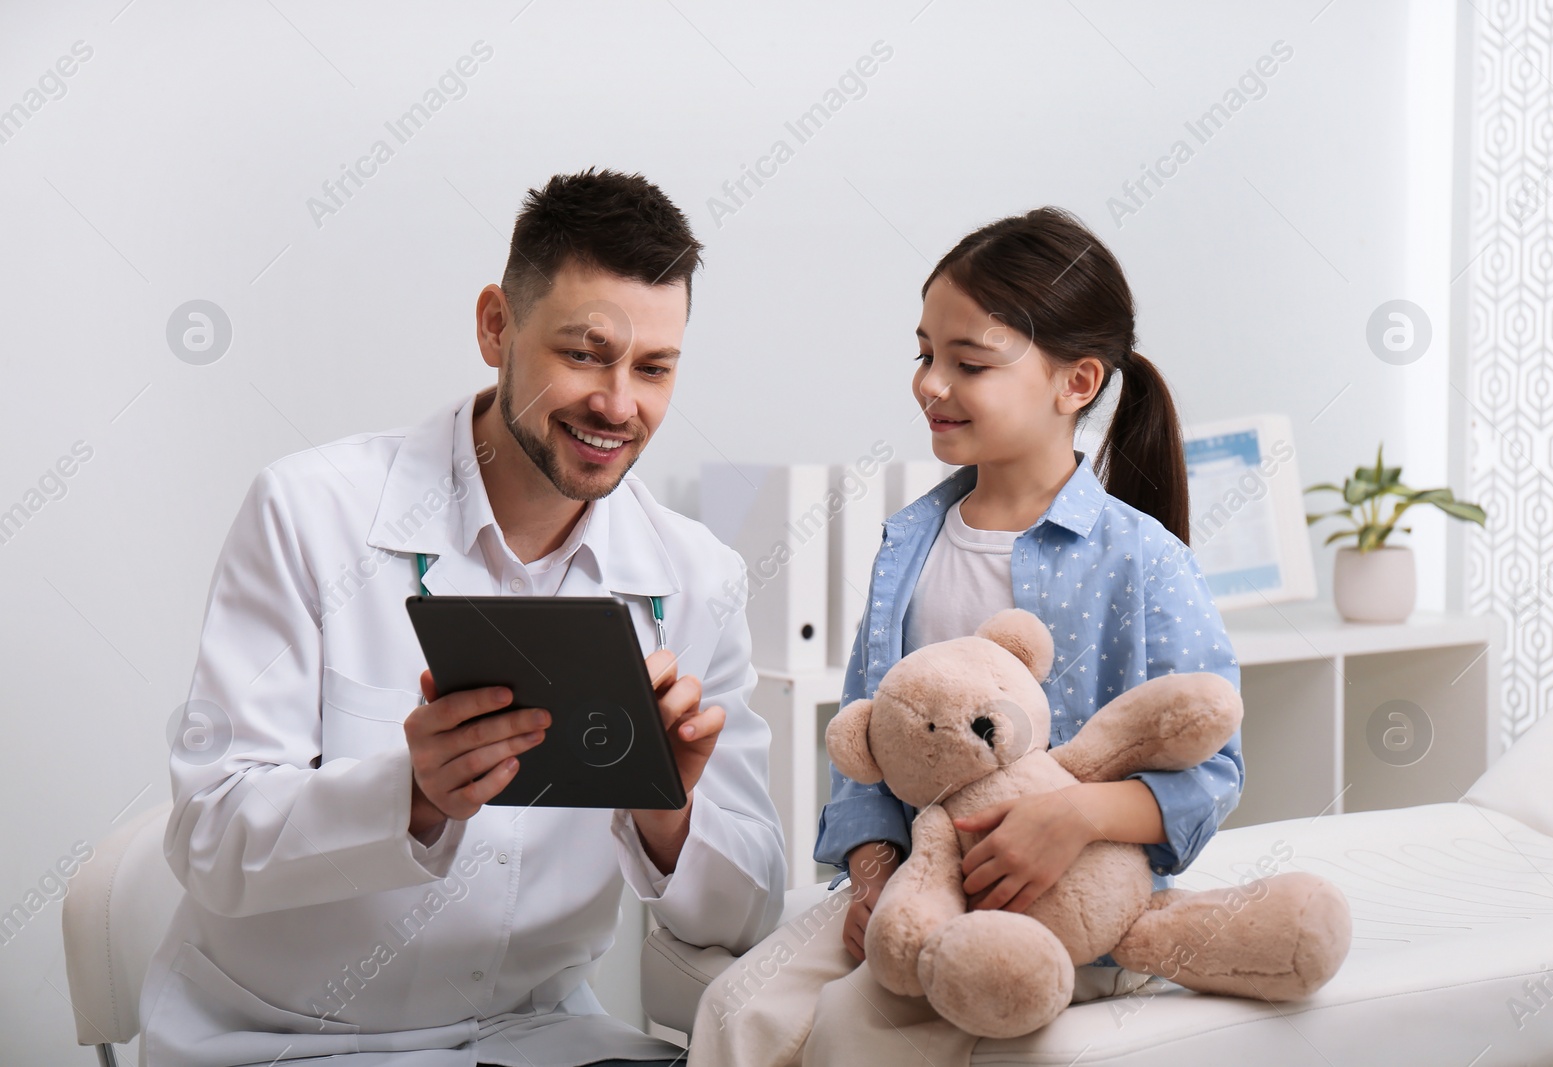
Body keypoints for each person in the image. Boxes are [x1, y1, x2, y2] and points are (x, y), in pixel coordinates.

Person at [140, 168, 786, 1067]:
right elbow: (208, 836)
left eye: (654, 368)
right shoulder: (308, 511)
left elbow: (749, 913)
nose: (619, 403)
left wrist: (664, 810)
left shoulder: (697, 578)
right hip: (287, 1039)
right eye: (585, 352)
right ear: (496, 326)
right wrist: (410, 794)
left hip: (539, 1037)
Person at [687, 206, 1243, 1065]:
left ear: (1078, 382)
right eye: (924, 354)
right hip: (920, 879)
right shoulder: (909, 542)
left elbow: (1210, 776)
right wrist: (872, 875)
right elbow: (867, 742)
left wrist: (1072, 815)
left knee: (850, 1033)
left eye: (968, 363)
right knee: (735, 1013)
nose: (929, 384)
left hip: (1067, 898)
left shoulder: (1143, 561)